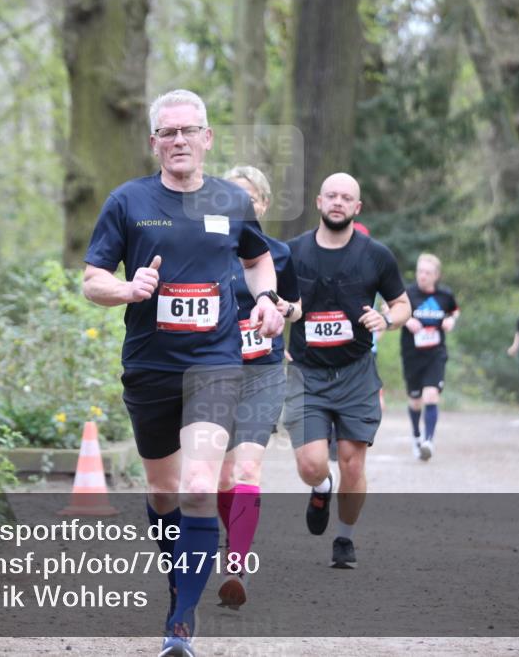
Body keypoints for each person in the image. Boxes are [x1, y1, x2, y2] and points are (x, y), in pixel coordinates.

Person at [82, 89, 284, 657]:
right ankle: (179, 585)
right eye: (167, 133)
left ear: (206, 138)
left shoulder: (230, 200)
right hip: (149, 366)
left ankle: (182, 622)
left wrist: (266, 297)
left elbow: (257, 257)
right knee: (164, 491)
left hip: (214, 364)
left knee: (200, 486)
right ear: (154, 142)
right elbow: (93, 277)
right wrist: (127, 288)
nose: (178, 141)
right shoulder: (127, 202)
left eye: (188, 131)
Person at [283, 173, 410, 569]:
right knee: (311, 464)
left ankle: (344, 538)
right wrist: (281, 316)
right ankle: (321, 488)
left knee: (353, 461)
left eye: (347, 198)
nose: (338, 202)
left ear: (357, 208)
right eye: (332, 196)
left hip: (355, 373)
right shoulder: (292, 253)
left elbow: (403, 304)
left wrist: (387, 319)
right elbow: (271, 298)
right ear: (319, 202)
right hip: (306, 373)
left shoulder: (376, 255)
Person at [215, 165, 300, 610]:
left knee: (247, 469)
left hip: (262, 373)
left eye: (248, 199)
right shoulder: (206, 251)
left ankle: (236, 565)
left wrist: (284, 309)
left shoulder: (280, 255)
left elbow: (298, 308)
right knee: (221, 475)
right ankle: (234, 535)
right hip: (212, 372)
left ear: (263, 205)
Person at [399, 253, 459, 461]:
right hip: (412, 354)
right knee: (415, 401)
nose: (422, 276)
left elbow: (454, 310)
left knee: (431, 396)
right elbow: (389, 308)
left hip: (436, 353)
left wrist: (451, 320)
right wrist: (407, 321)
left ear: (436, 275)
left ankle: (428, 441)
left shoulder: (444, 295)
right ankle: (416, 436)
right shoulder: (407, 293)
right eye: (420, 271)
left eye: (427, 273)